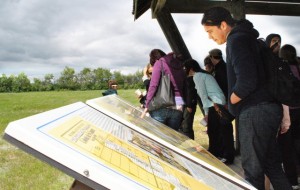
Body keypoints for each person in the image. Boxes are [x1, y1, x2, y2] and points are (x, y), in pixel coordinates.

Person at [201, 7, 292, 189]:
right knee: (272, 166)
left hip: (255, 113)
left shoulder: (236, 40)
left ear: (223, 25)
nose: (210, 37)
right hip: (268, 109)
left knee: (252, 173)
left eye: (210, 31)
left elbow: (247, 82)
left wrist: (230, 102)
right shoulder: (250, 38)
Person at [184, 59, 230, 162]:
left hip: (214, 104)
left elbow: (203, 96)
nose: (184, 70)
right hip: (218, 102)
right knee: (218, 131)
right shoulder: (203, 75)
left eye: (185, 68)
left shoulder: (197, 76)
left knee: (214, 131)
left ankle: (217, 154)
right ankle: (219, 153)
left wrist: (206, 114)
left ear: (190, 69)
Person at [141, 49, 186, 131]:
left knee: (158, 138)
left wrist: (147, 105)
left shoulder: (160, 63)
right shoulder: (179, 64)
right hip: (179, 105)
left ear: (154, 59)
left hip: (162, 105)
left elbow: (153, 85)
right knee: (173, 138)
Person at [208, 48, 235, 164]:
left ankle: (228, 156)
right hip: (225, 104)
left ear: (212, 57)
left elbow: (222, 88)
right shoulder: (225, 68)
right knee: (224, 130)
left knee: (225, 131)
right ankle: (226, 154)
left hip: (222, 105)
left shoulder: (219, 71)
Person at [278, 44, 300, 190]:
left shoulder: (282, 69)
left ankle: (292, 181)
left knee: (287, 148)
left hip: (288, 111)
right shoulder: (298, 66)